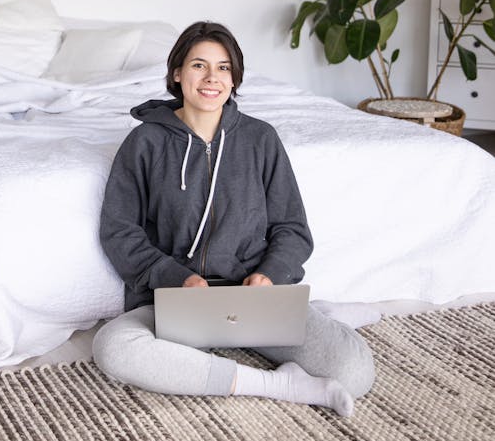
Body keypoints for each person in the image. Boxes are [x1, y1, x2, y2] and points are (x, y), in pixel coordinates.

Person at [93, 21, 375, 417]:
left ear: (235, 77)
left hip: (252, 298)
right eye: (198, 66)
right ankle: (277, 384)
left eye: (224, 67)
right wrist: (178, 277)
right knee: (113, 348)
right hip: (176, 300)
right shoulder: (144, 143)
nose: (212, 78)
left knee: (354, 371)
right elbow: (120, 232)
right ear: (177, 73)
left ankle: (319, 313)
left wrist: (269, 276)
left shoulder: (261, 139)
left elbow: (292, 229)